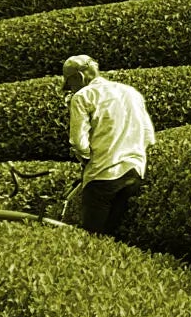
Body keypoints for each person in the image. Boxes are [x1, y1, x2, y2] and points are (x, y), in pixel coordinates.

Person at [63, 54, 154, 235]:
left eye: (69, 84)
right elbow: (149, 137)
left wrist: (85, 158)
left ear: (79, 78)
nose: (70, 89)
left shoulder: (82, 96)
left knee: (92, 239)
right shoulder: (131, 92)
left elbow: (79, 142)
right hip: (134, 173)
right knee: (113, 238)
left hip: (103, 175)